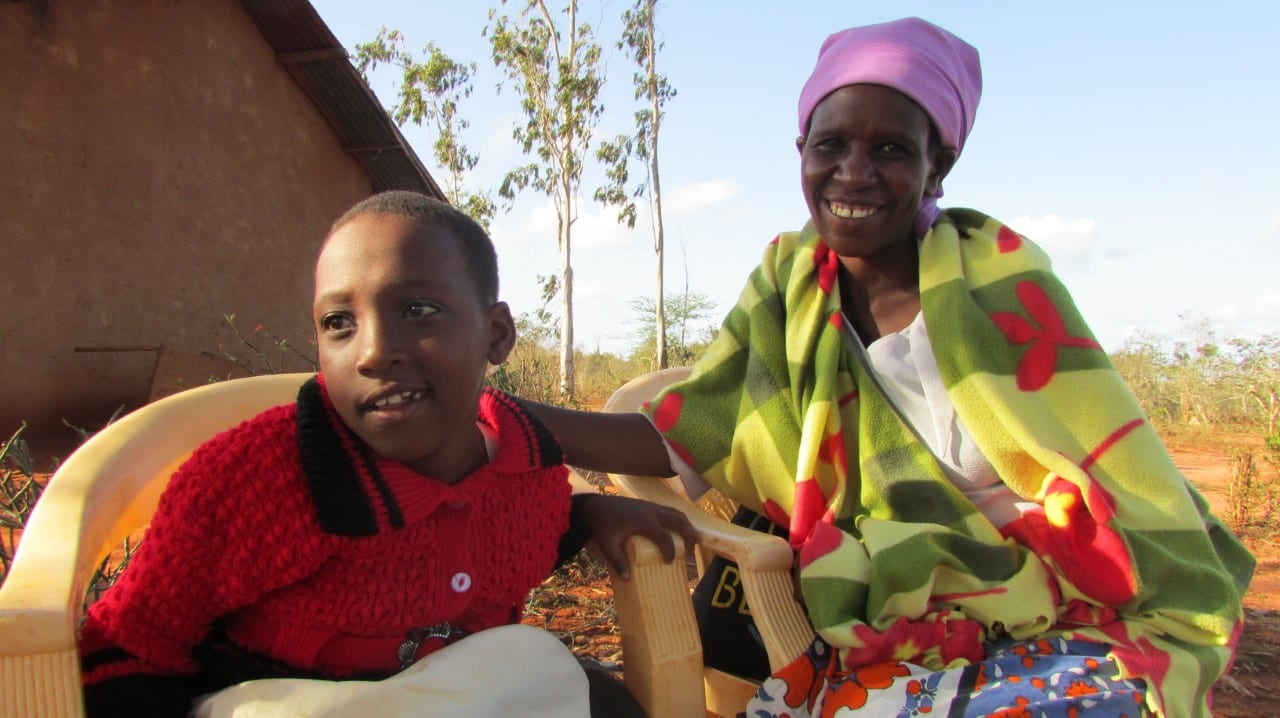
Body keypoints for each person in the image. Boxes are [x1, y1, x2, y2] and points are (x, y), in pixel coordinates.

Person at [523, 17, 1255, 718]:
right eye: (831, 144)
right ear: (802, 148)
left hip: (1053, 593)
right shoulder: (787, 289)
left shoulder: (1003, 286)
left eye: (892, 151)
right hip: (879, 604)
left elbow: (1114, 472)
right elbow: (693, 433)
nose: (853, 173)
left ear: (940, 162)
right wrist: (506, 418)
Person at [77, 191, 697, 718]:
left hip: (449, 694)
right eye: (339, 323)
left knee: (559, 673)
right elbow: (131, 645)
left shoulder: (526, 466)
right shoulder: (258, 479)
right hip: (291, 701)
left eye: (418, 310)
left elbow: (505, 533)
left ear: (496, 336)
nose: (373, 351)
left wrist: (586, 517)